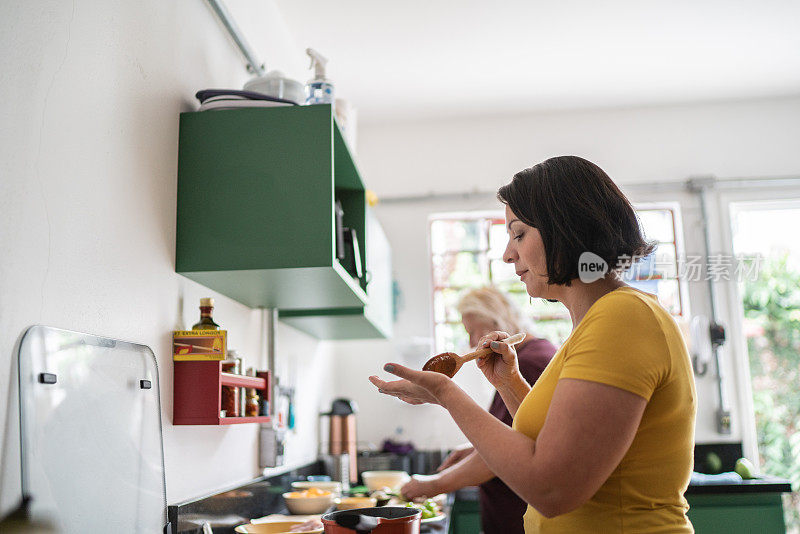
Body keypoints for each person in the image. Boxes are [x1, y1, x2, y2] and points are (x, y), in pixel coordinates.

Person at [370, 156, 696, 533]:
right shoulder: (599, 321)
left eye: (519, 234)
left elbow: (553, 487)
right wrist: (508, 383)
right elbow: (561, 442)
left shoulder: (622, 317)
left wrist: (445, 392)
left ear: (566, 229)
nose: (508, 253)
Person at [401, 286, 556, 534]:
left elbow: (502, 455)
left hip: (519, 517)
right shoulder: (532, 354)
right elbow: (521, 434)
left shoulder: (527, 362)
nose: (473, 342)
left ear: (496, 321)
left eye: (473, 331)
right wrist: (476, 447)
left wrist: (431, 485)